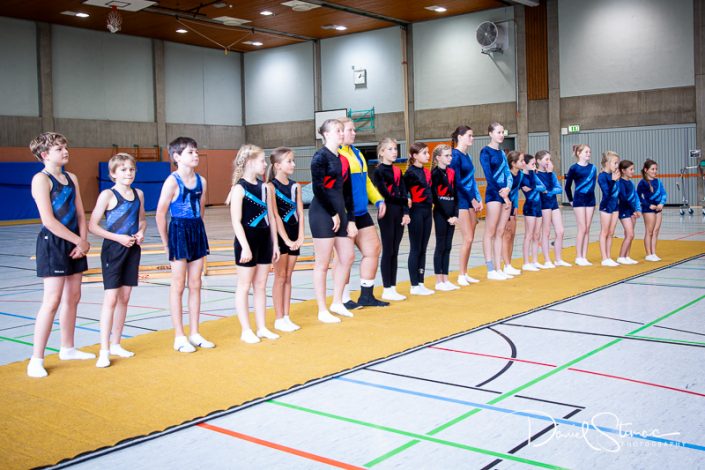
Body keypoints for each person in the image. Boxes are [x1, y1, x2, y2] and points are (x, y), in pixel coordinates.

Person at [27, 132, 94, 377]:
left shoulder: (71, 177)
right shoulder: (41, 180)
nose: (65, 151)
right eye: (59, 149)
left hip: (76, 242)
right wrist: (78, 240)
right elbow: (48, 220)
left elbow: (80, 213)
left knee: (73, 297)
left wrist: (83, 241)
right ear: (45, 154)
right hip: (53, 243)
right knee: (52, 300)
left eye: (65, 147)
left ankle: (68, 348)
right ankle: (36, 359)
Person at [155, 137, 213, 353]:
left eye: (196, 151)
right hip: (178, 231)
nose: (195, 155)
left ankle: (195, 332)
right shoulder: (172, 182)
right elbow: (160, 214)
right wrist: (166, 244)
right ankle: (179, 336)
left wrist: (198, 230)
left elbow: (201, 208)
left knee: (196, 283)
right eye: (190, 152)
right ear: (177, 157)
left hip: (196, 230)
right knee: (178, 284)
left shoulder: (201, 181)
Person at [88, 153, 146, 368]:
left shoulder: (138, 194)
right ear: (113, 174)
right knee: (111, 298)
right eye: (123, 170)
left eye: (131, 169)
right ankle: (103, 350)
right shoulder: (107, 195)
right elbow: (93, 226)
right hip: (113, 249)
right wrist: (117, 238)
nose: (128, 173)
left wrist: (141, 232)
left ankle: (116, 343)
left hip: (132, 248)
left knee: (125, 297)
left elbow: (142, 220)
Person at [230, 145, 280, 343]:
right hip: (247, 242)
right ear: (250, 162)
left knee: (260, 286)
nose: (265, 164)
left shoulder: (265, 188)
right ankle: (246, 330)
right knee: (244, 286)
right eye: (262, 160)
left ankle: (262, 327)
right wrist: (245, 246)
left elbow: (271, 218)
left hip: (264, 240)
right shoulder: (239, 188)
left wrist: (275, 244)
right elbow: (236, 221)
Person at [337, 117, 388, 308]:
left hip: (361, 212)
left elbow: (366, 181)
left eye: (354, 130)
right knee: (345, 257)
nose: (354, 133)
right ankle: (342, 298)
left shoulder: (357, 153)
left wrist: (378, 199)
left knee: (373, 249)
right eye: (350, 130)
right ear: (339, 132)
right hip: (344, 213)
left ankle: (366, 295)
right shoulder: (336, 155)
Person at [309, 119, 357, 322]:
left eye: (341, 130)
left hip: (340, 212)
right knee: (322, 263)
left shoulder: (343, 159)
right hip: (322, 212)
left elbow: (348, 193)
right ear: (326, 134)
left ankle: (337, 301)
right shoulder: (320, 157)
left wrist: (351, 219)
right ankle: (322, 309)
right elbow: (318, 188)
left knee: (347, 256)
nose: (341, 133)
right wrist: (332, 213)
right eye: (337, 130)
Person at [267, 147, 304, 332]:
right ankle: (278, 318)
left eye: (293, 160)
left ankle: (287, 316)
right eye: (289, 161)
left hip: (294, 232)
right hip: (280, 236)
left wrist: (301, 235)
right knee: (280, 276)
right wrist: (286, 240)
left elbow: (300, 213)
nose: (293, 164)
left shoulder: (296, 186)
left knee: (289, 276)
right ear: (277, 165)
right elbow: (275, 215)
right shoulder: (270, 187)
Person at [371, 138, 410, 301]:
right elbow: (385, 194)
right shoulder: (378, 171)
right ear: (381, 152)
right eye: (390, 149)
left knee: (395, 250)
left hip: (399, 213)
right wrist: (405, 201)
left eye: (395, 149)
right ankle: (386, 288)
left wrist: (406, 212)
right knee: (388, 250)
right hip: (387, 213)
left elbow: (403, 191)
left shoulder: (397, 171)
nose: (394, 152)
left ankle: (393, 287)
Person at [479, 122, 513, 280]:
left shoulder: (502, 154)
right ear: (490, 134)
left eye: (502, 132)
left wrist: (508, 189)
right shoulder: (485, 152)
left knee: (500, 232)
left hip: (505, 193)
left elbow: (508, 174)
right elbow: (489, 176)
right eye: (498, 132)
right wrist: (503, 194)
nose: (501, 135)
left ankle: (499, 268)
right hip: (493, 194)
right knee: (490, 232)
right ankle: (490, 269)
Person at [449, 125, 482, 285]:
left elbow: (472, 180)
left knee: (471, 238)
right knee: (467, 238)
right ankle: (461, 275)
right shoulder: (454, 156)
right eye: (469, 135)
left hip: (470, 199)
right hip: (461, 200)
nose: (472, 138)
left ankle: (465, 272)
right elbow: (457, 181)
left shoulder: (467, 156)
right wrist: (471, 199)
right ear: (460, 137)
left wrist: (477, 198)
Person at [404, 142, 435, 295]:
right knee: (416, 248)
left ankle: (421, 282)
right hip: (416, 211)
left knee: (423, 248)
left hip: (427, 211)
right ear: (415, 156)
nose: (428, 155)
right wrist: (406, 212)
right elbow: (405, 194)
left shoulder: (427, 172)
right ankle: (414, 285)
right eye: (424, 153)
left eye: (428, 152)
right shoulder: (409, 173)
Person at [536, 151, 571, 268]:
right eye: (546, 159)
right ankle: (547, 260)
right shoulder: (536, 175)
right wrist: (548, 189)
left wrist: (549, 190)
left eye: (549, 159)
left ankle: (558, 259)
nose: (549, 162)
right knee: (546, 232)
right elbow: (543, 188)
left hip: (554, 204)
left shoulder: (552, 174)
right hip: (544, 205)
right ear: (538, 161)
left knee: (560, 231)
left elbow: (558, 189)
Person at [431, 145, 459, 291]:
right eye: (446, 155)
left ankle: (446, 279)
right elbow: (435, 198)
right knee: (440, 245)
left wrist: (455, 215)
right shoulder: (434, 174)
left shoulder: (452, 172)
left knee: (448, 246)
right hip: (441, 213)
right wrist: (448, 216)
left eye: (450, 155)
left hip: (451, 212)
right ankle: (439, 280)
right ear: (438, 158)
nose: (450, 158)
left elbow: (456, 195)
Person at [564, 144, 597, 266]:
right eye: (586, 152)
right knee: (582, 228)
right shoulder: (574, 168)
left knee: (587, 228)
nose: (588, 154)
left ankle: (584, 256)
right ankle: (578, 256)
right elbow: (567, 186)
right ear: (579, 153)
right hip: (579, 200)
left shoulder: (593, 168)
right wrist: (571, 200)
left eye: (589, 152)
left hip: (590, 200)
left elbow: (592, 185)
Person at [637, 159, 667, 262]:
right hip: (648, 209)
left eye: (656, 169)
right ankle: (648, 254)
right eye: (652, 169)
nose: (655, 171)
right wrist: (648, 205)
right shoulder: (642, 183)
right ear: (646, 170)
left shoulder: (658, 181)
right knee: (649, 232)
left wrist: (661, 203)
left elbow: (663, 193)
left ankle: (654, 253)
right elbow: (638, 197)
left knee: (656, 231)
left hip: (658, 209)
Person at [521, 154, 546, 271]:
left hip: (538, 206)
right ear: (525, 164)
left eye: (535, 164)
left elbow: (543, 187)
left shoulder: (534, 175)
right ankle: (526, 262)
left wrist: (533, 187)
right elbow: (527, 187)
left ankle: (535, 261)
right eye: (532, 164)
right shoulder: (522, 176)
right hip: (530, 207)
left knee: (537, 235)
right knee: (529, 235)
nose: (534, 166)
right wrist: (534, 186)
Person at [502, 150, 525, 276]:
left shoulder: (520, 174)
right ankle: (506, 265)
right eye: (521, 161)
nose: (523, 163)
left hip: (512, 206)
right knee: (506, 235)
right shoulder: (506, 174)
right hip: (504, 205)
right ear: (513, 163)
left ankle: (509, 264)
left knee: (512, 235)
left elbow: (515, 191)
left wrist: (515, 206)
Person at [616, 159, 642, 265]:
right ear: (623, 171)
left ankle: (627, 256)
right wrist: (633, 210)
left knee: (630, 234)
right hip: (624, 210)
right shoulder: (620, 183)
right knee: (630, 234)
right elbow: (623, 198)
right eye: (631, 169)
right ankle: (621, 256)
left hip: (632, 210)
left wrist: (638, 209)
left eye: (633, 169)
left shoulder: (630, 183)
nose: (633, 171)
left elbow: (635, 197)